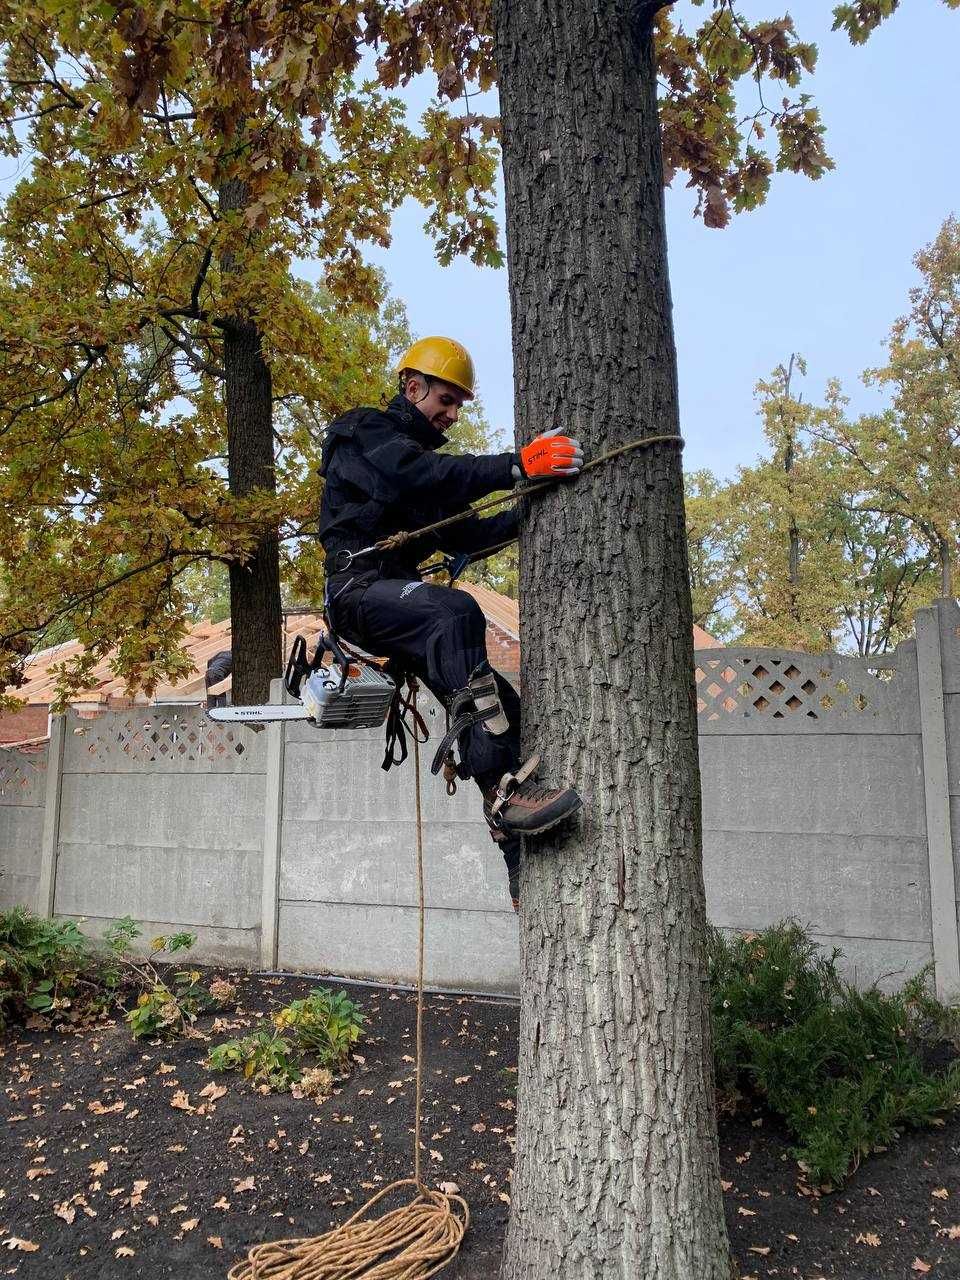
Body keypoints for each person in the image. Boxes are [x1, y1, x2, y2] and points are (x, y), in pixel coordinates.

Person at [318, 336, 584, 909]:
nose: (453, 414)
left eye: (460, 404)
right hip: (359, 595)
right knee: (456, 608)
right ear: (412, 388)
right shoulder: (365, 433)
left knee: (503, 705)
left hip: (400, 609)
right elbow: (417, 475)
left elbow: (463, 530)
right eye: (446, 398)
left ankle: (516, 863)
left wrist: (531, 509)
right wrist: (514, 463)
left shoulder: (422, 472)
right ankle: (503, 795)